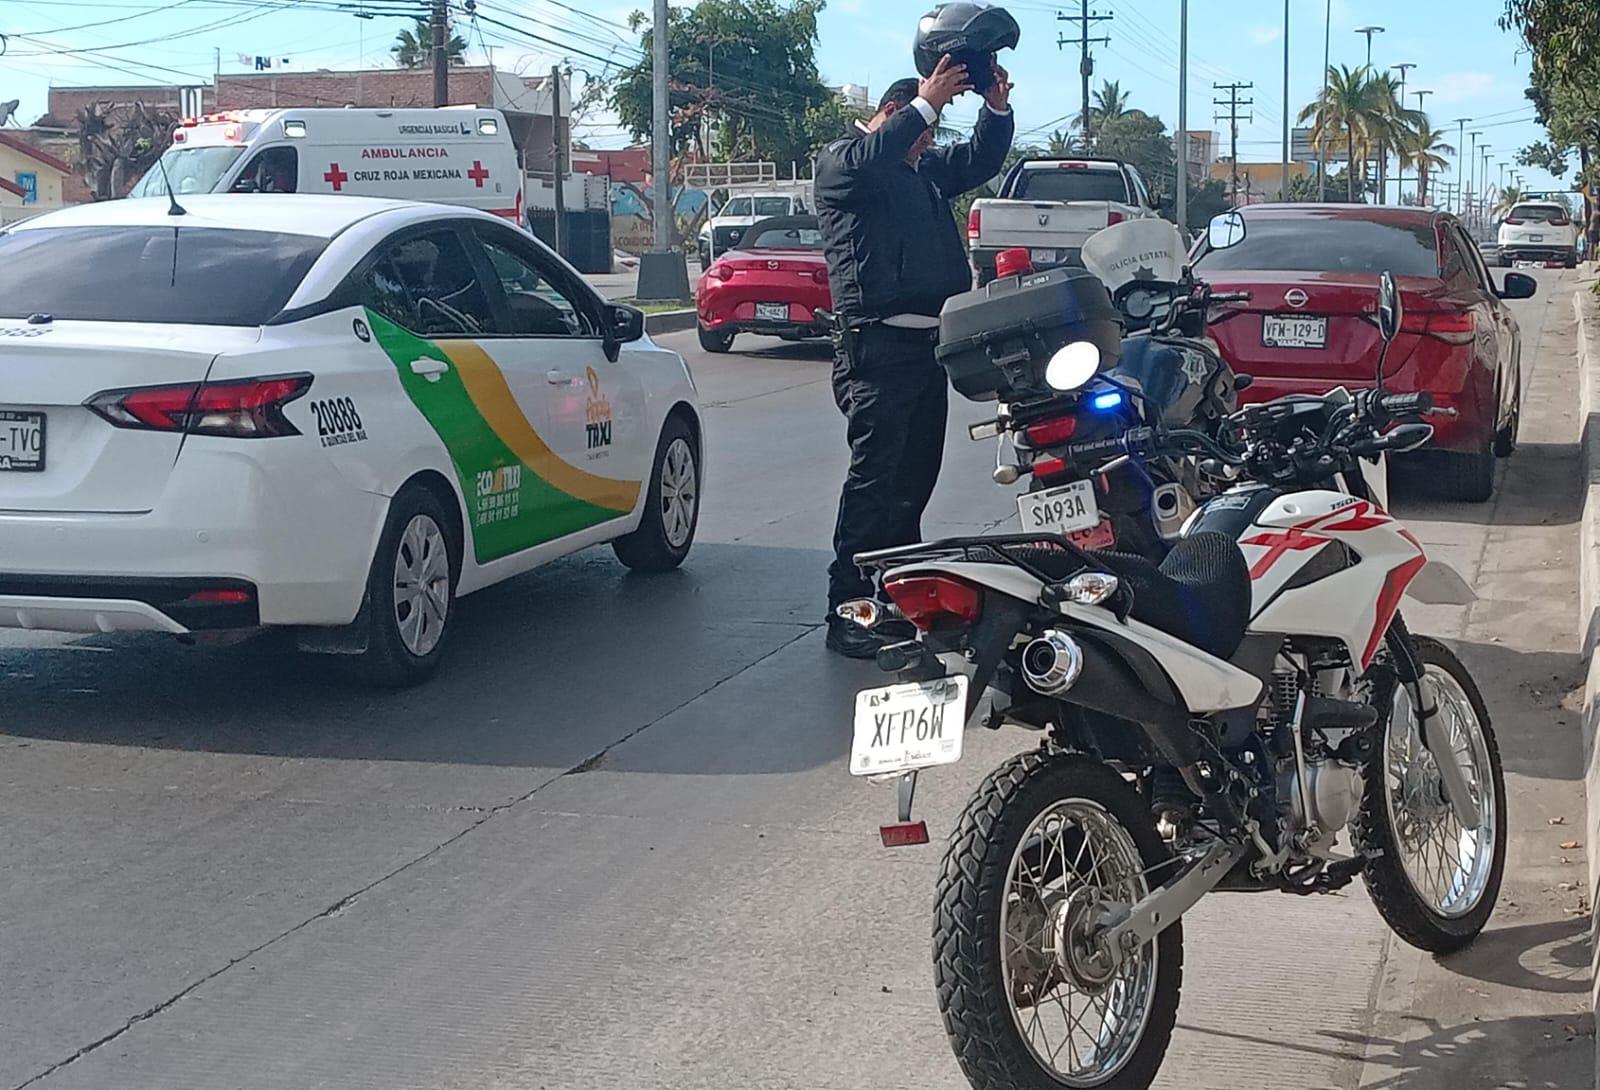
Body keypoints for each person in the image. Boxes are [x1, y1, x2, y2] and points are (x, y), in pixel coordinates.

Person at [814, 57, 1014, 657]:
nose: (925, 144)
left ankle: (893, 596)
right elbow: (875, 156)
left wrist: (995, 109)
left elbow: (977, 161)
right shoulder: (847, 165)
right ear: (894, 115)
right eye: (920, 130)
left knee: (913, 479)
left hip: (927, 349)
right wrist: (927, 103)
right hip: (877, 350)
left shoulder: (916, 170)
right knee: (876, 482)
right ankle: (848, 605)